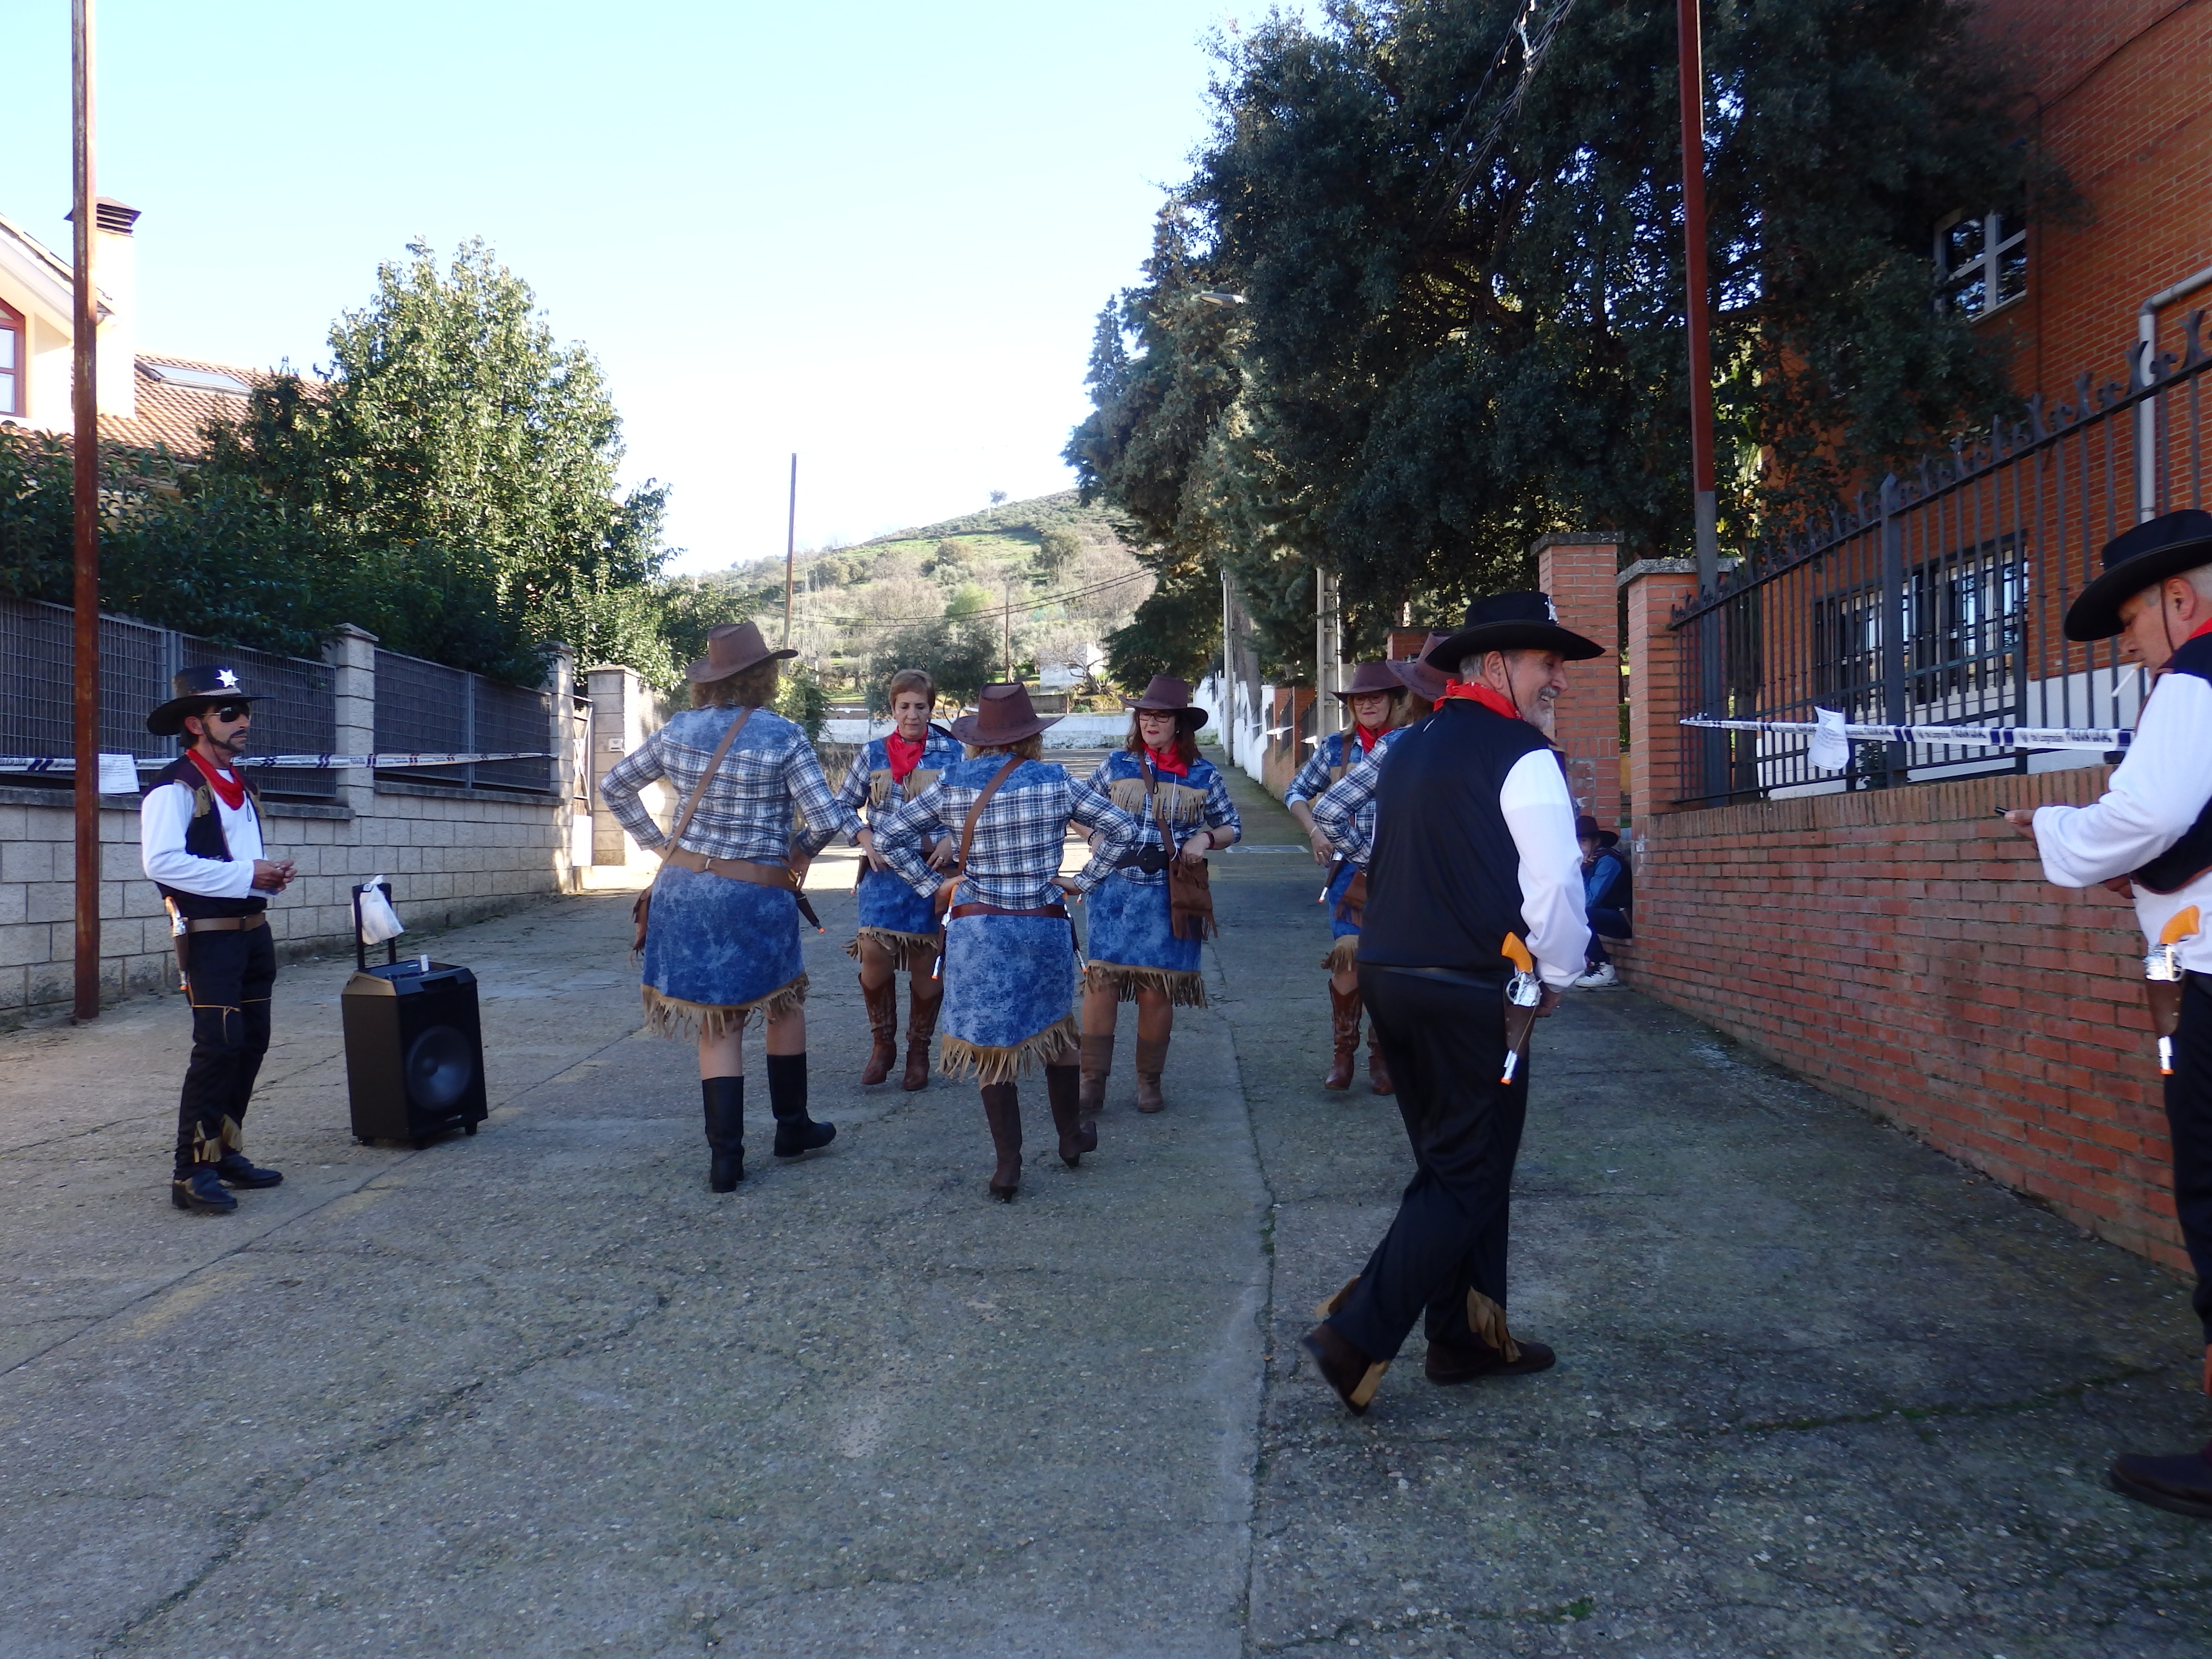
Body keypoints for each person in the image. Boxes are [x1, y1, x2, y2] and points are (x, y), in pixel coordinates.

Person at [1301, 591, 1594, 1415]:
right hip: (1470, 990)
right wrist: (1558, 976)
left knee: (1457, 1164)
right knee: (1469, 1173)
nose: (1559, 680)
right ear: (1496, 665)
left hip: (1392, 978)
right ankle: (1356, 1335)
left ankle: (1466, 1337)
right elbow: (1555, 887)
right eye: (1547, 663)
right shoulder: (1521, 753)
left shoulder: (1410, 746)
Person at [2003, 509, 2212, 1518]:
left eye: (2130, 620)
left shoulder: (2196, 678)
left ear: (2179, 600)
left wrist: (2054, 828)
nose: (2128, 645)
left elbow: (2146, 815)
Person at [600, 621, 860, 1192]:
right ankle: (792, 1127)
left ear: (709, 679)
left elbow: (614, 786)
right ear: (764, 676)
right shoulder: (784, 735)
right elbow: (828, 818)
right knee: (783, 1003)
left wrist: (659, 846)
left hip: (684, 891)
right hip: (756, 893)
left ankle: (726, 1160)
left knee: (719, 1022)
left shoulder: (678, 730)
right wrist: (798, 852)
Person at [872, 682, 1142, 1199]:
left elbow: (888, 837)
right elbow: (1124, 830)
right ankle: (1070, 1137)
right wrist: (1084, 880)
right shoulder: (1056, 780)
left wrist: (934, 884)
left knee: (992, 1042)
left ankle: (1008, 1167)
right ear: (1031, 736)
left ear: (979, 737)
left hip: (979, 930)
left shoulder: (951, 781)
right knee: (1056, 1029)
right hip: (1042, 924)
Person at [143, 665, 297, 1214]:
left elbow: (236, 862)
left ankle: (225, 1152)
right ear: (195, 723)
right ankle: (191, 1172)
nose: (242, 721)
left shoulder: (241, 784)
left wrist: (266, 877)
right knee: (218, 1048)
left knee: (250, 1043)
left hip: (253, 933)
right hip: (210, 939)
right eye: (228, 713)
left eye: (244, 711)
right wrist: (246, 875)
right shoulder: (174, 787)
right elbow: (161, 863)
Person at [1073, 676, 1242, 1114]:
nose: (1151, 723)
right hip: (1115, 892)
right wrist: (1092, 836)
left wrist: (1206, 838)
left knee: (1157, 990)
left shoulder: (1203, 774)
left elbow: (1232, 826)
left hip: (1170, 897)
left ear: (1179, 724)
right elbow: (1075, 807)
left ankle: (1149, 1082)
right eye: (1145, 715)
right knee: (1102, 984)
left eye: (1161, 717)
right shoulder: (1117, 765)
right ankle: (1092, 1081)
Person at [807, 668, 964, 1089]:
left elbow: (972, 805)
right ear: (892, 709)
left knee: (926, 962)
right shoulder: (872, 754)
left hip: (934, 871)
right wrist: (863, 836)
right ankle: (882, 1045)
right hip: (883, 873)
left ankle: (918, 1052)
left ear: (932, 709)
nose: (912, 715)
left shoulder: (953, 752)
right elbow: (843, 805)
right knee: (875, 955)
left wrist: (953, 839)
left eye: (921, 707)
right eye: (904, 706)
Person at [1286, 661, 1409, 1092]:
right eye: (1360, 700)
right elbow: (1296, 792)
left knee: (1391, 965)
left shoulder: (1410, 745)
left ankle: (1383, 1056)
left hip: (1400, 872)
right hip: (1348, 873)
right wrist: (1315, 830)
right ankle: (1343, 1055)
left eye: (1376, 698)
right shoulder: (1336, 749)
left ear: (1394, 701)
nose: (1368, 705)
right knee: (1349, 960)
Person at [1573, 814, 1633, 989]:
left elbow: (1589, 901)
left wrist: (1579, 873)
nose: (1579, 846)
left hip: (1623, 919)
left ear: (1596, 841)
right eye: (1576, 841)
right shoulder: (1589, 862)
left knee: (1580, 914)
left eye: (1583, 841)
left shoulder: (1607, 860)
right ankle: (1588, 964)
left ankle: (1604, 968)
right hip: (1604, 915)